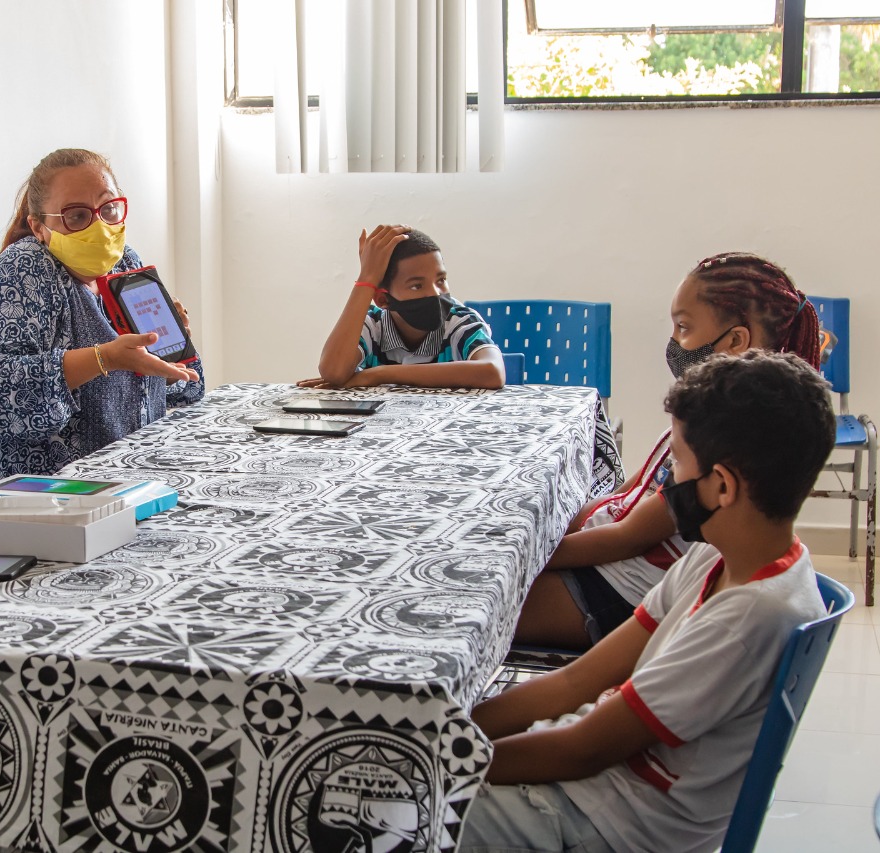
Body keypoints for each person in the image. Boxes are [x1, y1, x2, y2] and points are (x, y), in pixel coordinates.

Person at [462, 350, 836, 853]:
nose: (666, 481)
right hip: (594, 791)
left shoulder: (749, 617)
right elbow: (576, 681)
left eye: (676, 463)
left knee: (373, 811)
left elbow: (583, 751)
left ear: (722, 485)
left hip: (609, 825)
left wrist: (443, 761)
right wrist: (450, 732)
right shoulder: (712, 560)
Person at [515, 252, 822, 651]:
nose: (675, 341)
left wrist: (518, 558)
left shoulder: (725, 444)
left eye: (684, 327)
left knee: (467, 609)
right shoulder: (705, 413)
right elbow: (630, 492)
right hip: (607, 568)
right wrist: (554, 531)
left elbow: (627, 538)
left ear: (735, 341)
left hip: (616, 596)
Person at [0, 148, 205, 487]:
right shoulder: (20, 273)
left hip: (128, 482)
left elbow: (187, 392)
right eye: (76, 217)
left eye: (109, 209)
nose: (100, 226)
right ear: (39, 227)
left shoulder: (126, 263)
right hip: (39, 498)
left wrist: (167, 357)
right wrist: (105, 358)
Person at [298, 225, 505, 390]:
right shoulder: (373, 325)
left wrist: (379, 374)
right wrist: (367, 279)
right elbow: (333, 372)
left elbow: (493, 372)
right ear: (383, 300)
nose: (435, 293)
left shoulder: (458, 320)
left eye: (441, 280)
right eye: (416, 285)